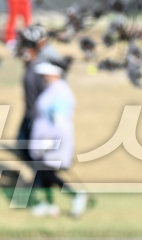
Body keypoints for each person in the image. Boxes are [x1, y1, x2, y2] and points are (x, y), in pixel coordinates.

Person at [27, 61, 87, 218]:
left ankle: (75, 195)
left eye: (46, 74)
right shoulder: (52, 89)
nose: (43, 77)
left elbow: (59, 122)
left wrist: (50, 141)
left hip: (54, 139)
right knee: (45, 171)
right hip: (46, 138)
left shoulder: (61, 92)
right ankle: (50, 204)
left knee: (47, 173)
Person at [15, 26, 62, 165]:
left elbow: (49, 92)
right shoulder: (31, 65)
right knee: (23, 142)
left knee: (30, 145)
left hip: (37, 115)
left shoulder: (41, 67)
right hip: (30, 112)